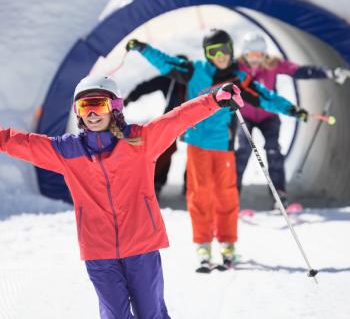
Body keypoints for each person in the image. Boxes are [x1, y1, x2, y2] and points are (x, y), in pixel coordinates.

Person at [0, 74, 244, 318]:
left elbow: (176, 119)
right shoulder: (67, 151)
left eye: (98, 104)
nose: (92, 113)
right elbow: (25, 144)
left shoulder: (139, 141)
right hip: (99, 250)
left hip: (142, 245)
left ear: (114, 108)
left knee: (151, 313)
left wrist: (213, 100)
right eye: (85, 106)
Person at [125, 29, 308, 270]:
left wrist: (291, 109)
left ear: (232, 51)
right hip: (198, 144)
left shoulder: (238, 78)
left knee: (226, 194)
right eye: (214, 51)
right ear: (207, 53)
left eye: (225, 50)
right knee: (199, 195)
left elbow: (265, 97)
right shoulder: (194, 70)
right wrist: (142, 48)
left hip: (224, 145)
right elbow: (166, 61)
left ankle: (227, 243)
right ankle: (203, 243)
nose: (221, 56)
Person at [236, 32, 350, 208]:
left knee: (273, 151)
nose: (255, 59)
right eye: (251, 55)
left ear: (264, 54)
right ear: (244, 54)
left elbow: (299, 71)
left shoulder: (272, 64)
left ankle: (279, 193)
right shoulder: (237, 68)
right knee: (243, 151)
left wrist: (328, 72)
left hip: (269, 116)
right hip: (246, 115)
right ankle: (232, 192)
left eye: (259, 54)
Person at [124, 56, 188, 196]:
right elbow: (147, 86)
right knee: (165, 148)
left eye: (183, 68)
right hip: (172, 118)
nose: (180, 73)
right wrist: (130, 97)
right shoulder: (168, 79)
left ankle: (190, 183)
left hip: (194, 118)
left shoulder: (194, 79)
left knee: (197, 148)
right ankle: (157, 182)